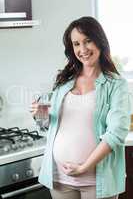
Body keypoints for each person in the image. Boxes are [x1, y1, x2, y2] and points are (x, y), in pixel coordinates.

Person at [31, 16, 130, 199]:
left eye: (88, 41)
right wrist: (41, 115)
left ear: (100, 41)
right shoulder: (64, 82)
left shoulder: (117, 85)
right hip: (60, 179)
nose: (82, 49)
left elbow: (116, 133)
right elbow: (49, 126)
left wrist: (84, 167)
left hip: (97, 180)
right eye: (76, 44)